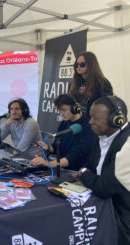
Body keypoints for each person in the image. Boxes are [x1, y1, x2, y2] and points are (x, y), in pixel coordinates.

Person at [77, 95, 130, 245]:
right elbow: (90, 166)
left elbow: (103, 188)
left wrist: (84, 174)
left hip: (121, 222)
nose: (90, 122)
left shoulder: (127, 145)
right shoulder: (102, 135)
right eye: (90, 117)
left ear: (117, 119)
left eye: (96, 118)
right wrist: (88, 174)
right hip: (102, 210)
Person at [31, 94, 96, 170]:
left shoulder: (88, 127)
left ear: (75, 108)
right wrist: (48, 147)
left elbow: (75, 156)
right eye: (60, 111)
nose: (61, 114)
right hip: (61, 168)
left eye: (64, 110)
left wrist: (48, 164)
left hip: (77, 171)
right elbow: (56, 147)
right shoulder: (64, 123)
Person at [69, 51, 113, 118]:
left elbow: (107, 106)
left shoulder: (102, 83)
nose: (78, 67)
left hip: (92, 123)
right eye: (76, 65)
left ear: (91, 65)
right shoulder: (73, 83)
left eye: (82, 64)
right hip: (75, 120)